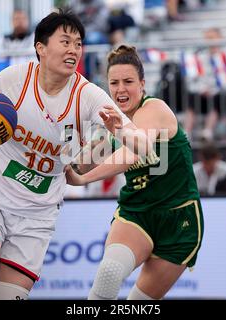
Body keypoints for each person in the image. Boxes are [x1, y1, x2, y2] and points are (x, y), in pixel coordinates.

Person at [0, 9, 136, 300]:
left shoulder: (89, 96)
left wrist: (124, 132)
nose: (74, 49)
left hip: (37, 214)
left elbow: (144, 146)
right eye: (65, 41)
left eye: (78, 43)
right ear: (40, 47)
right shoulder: (14, 79)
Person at [65, 45, 204, 300]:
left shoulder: (155, 109)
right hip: (136, 212)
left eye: (128, 81)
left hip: (178, 219)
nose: (120, 89)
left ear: (142, 84)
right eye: (114, 82)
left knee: (137, 303)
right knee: (109, 272)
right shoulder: (112, 121)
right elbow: (84, 160)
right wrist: (60, 166)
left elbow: (131, 154)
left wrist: (82, 179)